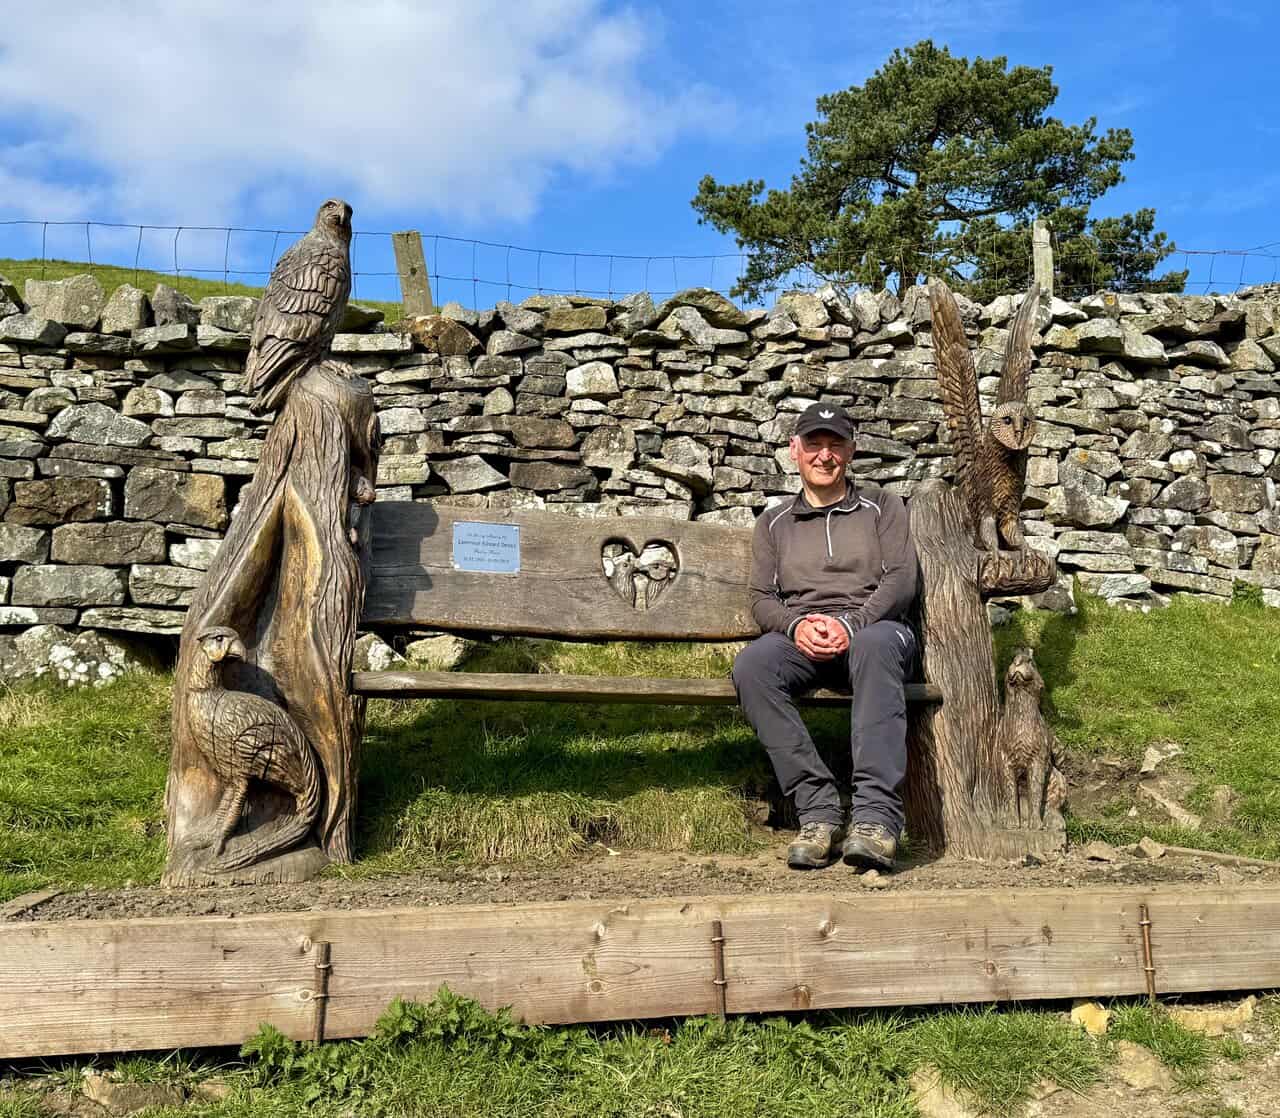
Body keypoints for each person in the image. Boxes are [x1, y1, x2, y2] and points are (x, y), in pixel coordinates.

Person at [732, 401, 920, 871]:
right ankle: (818, 812)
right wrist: (797, 626)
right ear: (794, 451)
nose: (824, 455)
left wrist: (851, 623)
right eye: (813, 443)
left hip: (875, 632)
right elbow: (760, 598)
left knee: (876, 645)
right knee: (753, 665)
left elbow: (900, 579)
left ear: (851, 452)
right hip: (804, 638)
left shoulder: (884, 506)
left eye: (835, 444)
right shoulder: (773, 522)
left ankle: (876, 819)